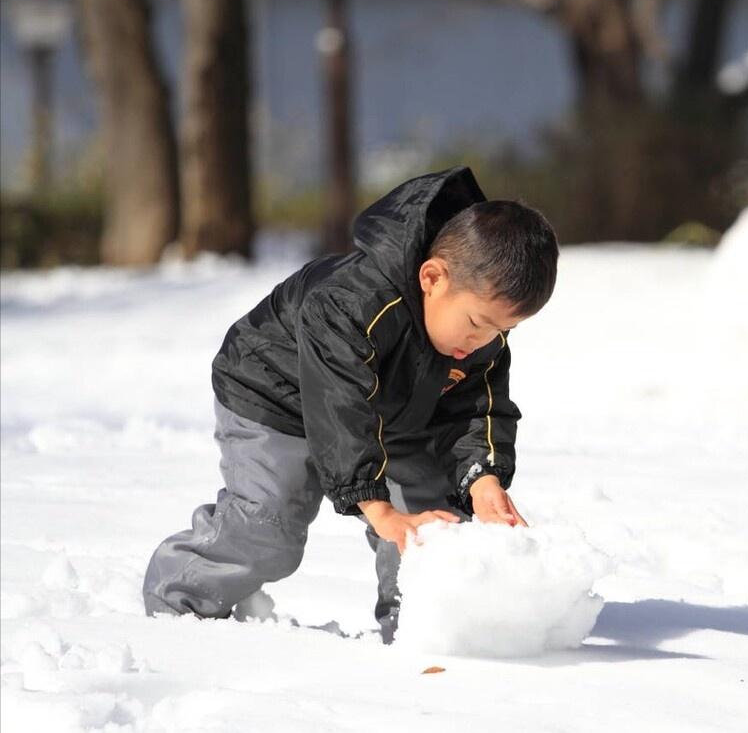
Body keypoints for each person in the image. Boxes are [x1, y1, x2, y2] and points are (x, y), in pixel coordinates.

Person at [142, 166, 559, 643]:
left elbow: (479, 410)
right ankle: (177, 603)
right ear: (432, 277)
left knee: (433, 527)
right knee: (270, 530)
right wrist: (377, 509)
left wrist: (482, 479)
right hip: (275, 395)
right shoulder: (350, 303)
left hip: (391, 412)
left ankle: (424, 627)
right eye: (478, 322)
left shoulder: (475, 338)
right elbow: (338, 404)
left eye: (503, 331)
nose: (485, 340)